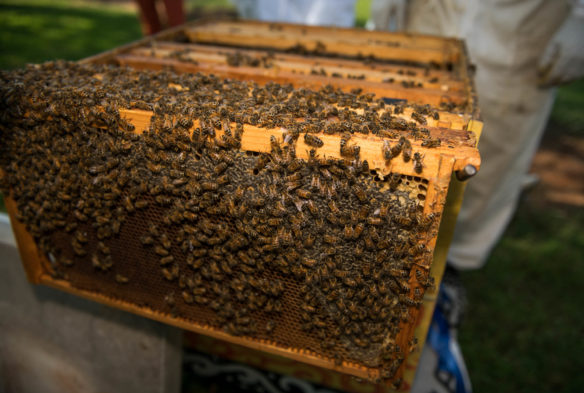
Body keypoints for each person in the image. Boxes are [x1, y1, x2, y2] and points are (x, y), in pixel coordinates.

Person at [370, 1, 584, 392]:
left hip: (523, 28)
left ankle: (448, 278)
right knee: (406, 140)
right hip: (430, 21)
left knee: (490, 152)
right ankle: (391, 267)